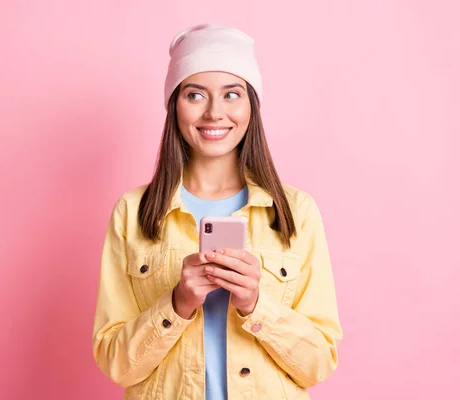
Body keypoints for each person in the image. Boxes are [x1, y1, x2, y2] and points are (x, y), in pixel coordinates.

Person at [92, 23, 343, 399]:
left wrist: (256, 305)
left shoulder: (296, 212)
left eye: (231, 94)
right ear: (175, 104)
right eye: (195, 95)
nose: (214, 113)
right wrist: (177, 304)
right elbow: (116, 363)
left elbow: (318, 363)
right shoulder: (133, 212)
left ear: (250, 106)